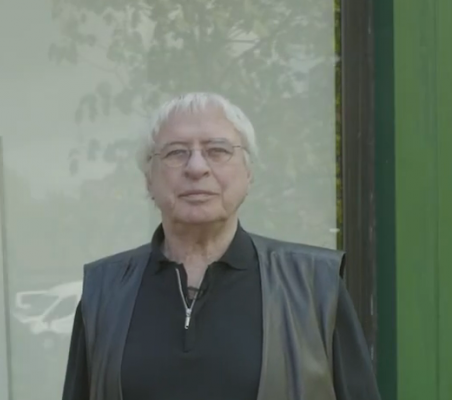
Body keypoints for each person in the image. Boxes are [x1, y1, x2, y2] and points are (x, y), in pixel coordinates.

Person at [62, 92, 381, 400]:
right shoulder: (105, 292)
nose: (196, 167)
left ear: (248, 172)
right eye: (176, 153)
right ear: (149, 179)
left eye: (217, 150)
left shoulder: (315, 287)